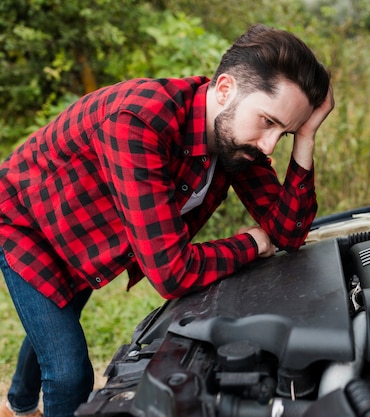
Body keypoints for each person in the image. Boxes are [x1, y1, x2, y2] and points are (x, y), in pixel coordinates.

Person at [0, 23, 333, 417]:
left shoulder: (237, 142)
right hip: (26, 224)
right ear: (225, 90)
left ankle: (18, 406)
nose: (268, 145)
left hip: (84, 234)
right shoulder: (139, 121)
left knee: (59, 317)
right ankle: (23, 407)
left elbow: (288, 233)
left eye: (285, 133)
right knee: (69, 372)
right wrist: (252, 243)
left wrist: (307, 136)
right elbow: (171, 273)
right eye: (268, 122)